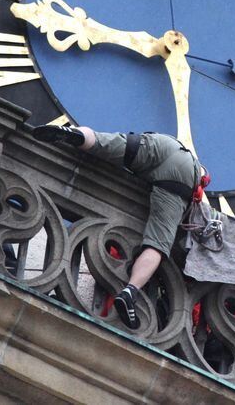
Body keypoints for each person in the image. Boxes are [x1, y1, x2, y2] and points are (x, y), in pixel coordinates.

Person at [32, 124, 206, 330]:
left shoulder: (171, 145)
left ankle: (74, 134)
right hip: (183, 177)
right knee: (158, 244)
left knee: (103, 142)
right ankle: (130, 292)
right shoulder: (197, 181)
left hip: (161, 142)